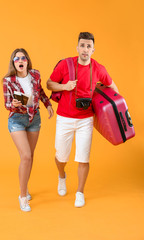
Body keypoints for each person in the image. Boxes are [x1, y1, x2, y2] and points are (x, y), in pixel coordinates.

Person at [47, 32, 118, 207]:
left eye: (88, 46)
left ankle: (80, 192)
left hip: (86, 119)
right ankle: (62, 175)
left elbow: (112, 88)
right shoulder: (65, 64)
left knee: (83, 158)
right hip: (64, 118)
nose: (85, 49)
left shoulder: (99, 68)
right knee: (61, 157)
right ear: (77, 47)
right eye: (82, 45)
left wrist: (118, 108)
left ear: (93, 49)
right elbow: (49, 83)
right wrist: (65, 86)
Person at [3, 48, 54, 212]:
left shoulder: (36, 75)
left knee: (30, 157)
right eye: (16, 58)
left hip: (34, 119)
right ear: (13, 62)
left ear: (27, 61)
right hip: (16, 120)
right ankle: (22, 196)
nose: (20, 60)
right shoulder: (8, 80)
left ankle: (24, 187)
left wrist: (48, 105)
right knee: (25, 156)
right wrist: (13, 105)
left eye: (23, 58)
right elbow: (6, 104)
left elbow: (40, 92)